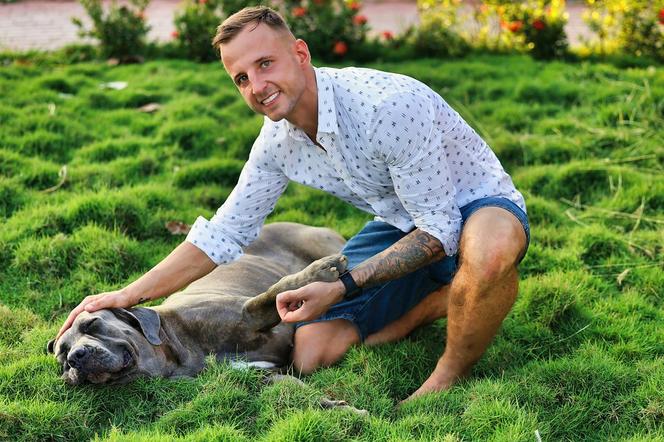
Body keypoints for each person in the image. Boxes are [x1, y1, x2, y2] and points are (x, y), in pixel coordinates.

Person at [55, 6, 529, 401]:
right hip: (404, 223)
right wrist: (129, 296)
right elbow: (224, 235)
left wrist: (341, 284)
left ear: (299, 53)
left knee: (486, 253)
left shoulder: (387, 106)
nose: (256, 86)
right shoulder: (276, 143)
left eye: (265, 64)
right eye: (240, 78)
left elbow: (443, 229)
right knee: (310, 354)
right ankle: (444, 301)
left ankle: (449, 372)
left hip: (474, 206)